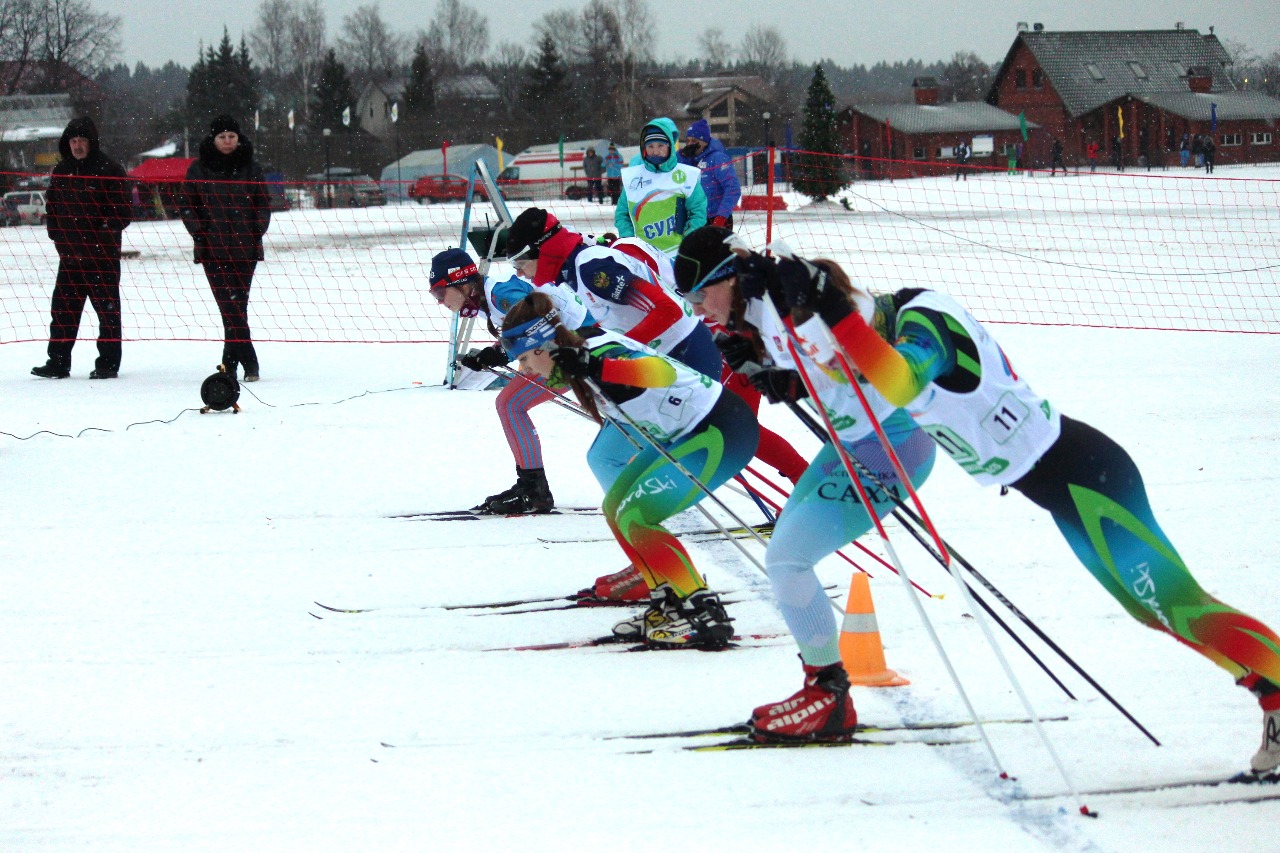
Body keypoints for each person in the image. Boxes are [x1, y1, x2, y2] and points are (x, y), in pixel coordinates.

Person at [787, 261, 1280, 773]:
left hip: (1085, 476)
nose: (846, 358)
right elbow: (860, 379)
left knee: (1182, 606)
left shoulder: (922, 321)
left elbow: (904, 379)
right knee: (1151, 612)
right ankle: (1272, 695)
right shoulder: (878, 335)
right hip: (1064, 491)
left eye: (846, 340)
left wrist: (834, 314)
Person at [671, 226, 937, 741]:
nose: (700, 309)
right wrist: (762, 361)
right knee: (784, 555)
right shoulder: (763, 307)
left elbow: (852, 338)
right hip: (854, 443)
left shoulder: (789, 301)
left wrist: (785, 372)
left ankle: (828, 695)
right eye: (691, 300)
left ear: (730, 278)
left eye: (702, 294)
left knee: (787, 559)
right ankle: (823, 687)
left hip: (891, 444)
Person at [500, 291, 759, 648]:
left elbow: (660, 370)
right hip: (687, 432)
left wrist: (595, 367)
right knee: (615, 509)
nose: (524, 370)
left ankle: (702, 611)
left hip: (719, 431)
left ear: (545, 348)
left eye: (526, 359)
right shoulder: (578, 353)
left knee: (638, 516)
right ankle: (669, 601)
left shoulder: (596, 355)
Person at [429, 247, 591, 514]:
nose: (439, 301)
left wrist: (500, 351)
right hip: (569, 347)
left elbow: (540, 325)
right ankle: (530, 485)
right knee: (509, 404)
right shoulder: (488, 299)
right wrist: (492, 352)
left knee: (511, 404)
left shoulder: (502, 295)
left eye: (439, 292)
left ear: (460, 283)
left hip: (581, 348)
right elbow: (521, 330)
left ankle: (534, 489)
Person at [31, 117, 132, 380]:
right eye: (73, 141)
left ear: (91, 142)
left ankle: (108, 364)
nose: (77, 145)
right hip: (70, 257)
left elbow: (123, 212)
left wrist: (104, 234)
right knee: (62, 311)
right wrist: (57, 235)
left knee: (107, 313)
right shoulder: (61, 171)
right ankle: (58, 363)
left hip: (102, 258)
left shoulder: (110, 169)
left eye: (81, 140)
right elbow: (52, 208)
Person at [178, 115, 272, 382]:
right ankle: (248, 361)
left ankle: (229, 364)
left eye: (232, 136)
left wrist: (255, 229)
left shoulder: (251, 168)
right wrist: (200, 232)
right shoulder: (198, 169)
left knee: (237, 305)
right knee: (228, 307)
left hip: (245, 248)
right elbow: (187, 204)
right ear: (213, 139)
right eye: (222, 137)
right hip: (212, 249)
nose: (228, 141)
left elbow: (263, 203)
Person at [613, 116, 707, 257]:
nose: (655, 151)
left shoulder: (686, 176)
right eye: (650, 146)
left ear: (669, 145)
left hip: (678, 254)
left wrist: (687, 238)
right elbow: (622, 214)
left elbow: (698, 211)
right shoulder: (633, 178)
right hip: (644, 256)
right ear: (644, 148)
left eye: (660, 146)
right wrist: (630, 241)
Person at [678, 119, 740, 230]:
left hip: (716, 218)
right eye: (688, 141)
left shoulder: (718, 158)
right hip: (695, 219)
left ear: (704, 141)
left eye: (694, 141)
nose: (690, 144)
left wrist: (721, 217)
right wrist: (681, 155)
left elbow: (732, 189)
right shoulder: (689, 159)